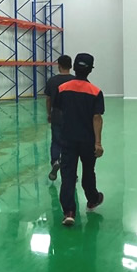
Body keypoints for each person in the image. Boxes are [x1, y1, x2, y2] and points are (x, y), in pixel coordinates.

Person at [55, 53, 105, 226]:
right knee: (88, 171)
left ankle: (69, 212)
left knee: (68, 175)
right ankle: (92, 199)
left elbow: (59, 111)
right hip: (87, 140)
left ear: (74, 68)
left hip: (68, 139)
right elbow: (96, 117)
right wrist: (98, 143)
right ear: (90, 70)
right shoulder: (95, 92)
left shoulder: (63, 89)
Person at [44, 55, 75, 181]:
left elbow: (48, 99)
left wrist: (49, 114)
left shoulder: (52, 81)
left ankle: (55, 161)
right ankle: (71, 172)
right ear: (71, 66)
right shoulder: (75, 81)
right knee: (71, 144)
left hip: (57, 114)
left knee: (56, 141)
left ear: (59, 66)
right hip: (72, 117)